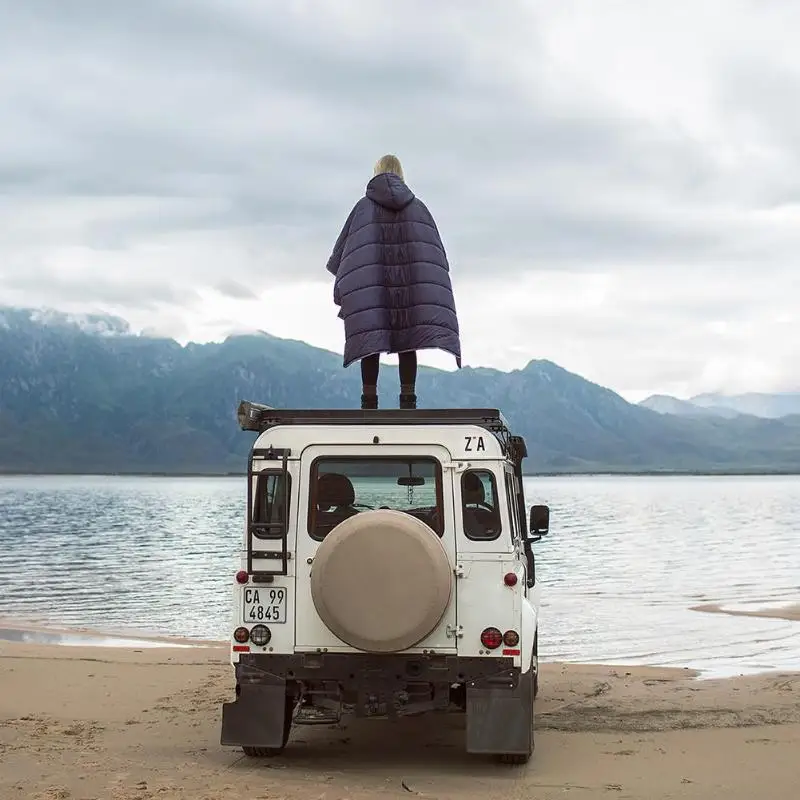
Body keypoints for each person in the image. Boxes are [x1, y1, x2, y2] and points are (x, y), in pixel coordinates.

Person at [326, 154, 461, 410]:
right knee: (409, 338)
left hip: (372, 289)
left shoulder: (362, 209)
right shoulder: (418, 208)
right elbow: (435, 256)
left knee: (370, 335)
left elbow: (343, 255)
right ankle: (408, 401)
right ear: (401, 174)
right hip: (411, 289)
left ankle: (369, 401)